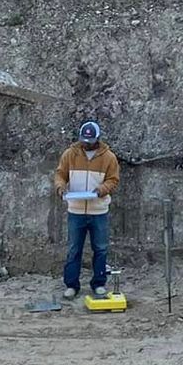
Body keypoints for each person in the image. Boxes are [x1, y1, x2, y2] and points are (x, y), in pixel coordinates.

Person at [52, 120, 119, 298]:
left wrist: (101, 190)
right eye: (84, 140)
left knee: (101, 248)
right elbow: (60, 174)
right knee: (74, 249)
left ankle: (98, 283)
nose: (87, 144)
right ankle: (72, 285)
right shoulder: (70, 154)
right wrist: (61, 187)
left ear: (98, 139)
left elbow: (113, 180)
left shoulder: (109, 158)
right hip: (76, 210)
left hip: (99, 211)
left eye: (90, 141)